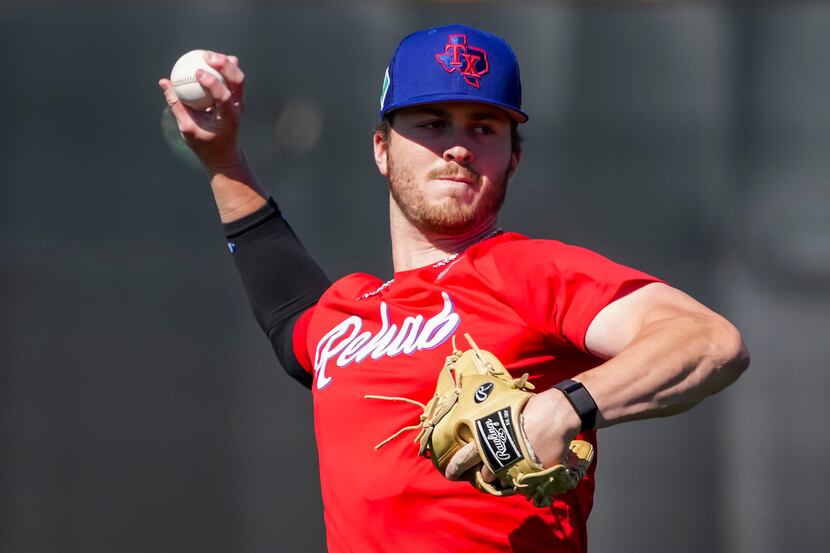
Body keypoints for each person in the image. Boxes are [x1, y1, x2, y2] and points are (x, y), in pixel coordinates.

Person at [159, 23, 749, 553]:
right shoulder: (345, 315)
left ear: (512, 159)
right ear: (382, 151)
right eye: (432, 123)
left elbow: (706, 341)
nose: (458, 145)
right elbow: (286, 309)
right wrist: (223, 159)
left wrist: (562, 407)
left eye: (484, 126)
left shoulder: (527, 271)